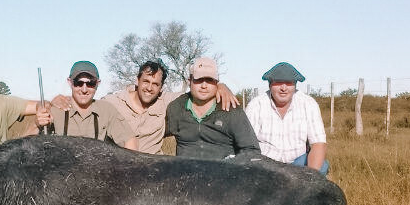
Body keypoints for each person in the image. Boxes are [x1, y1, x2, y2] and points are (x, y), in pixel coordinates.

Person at [99, 60, 241, 155]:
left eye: (155, 84)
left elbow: (197, 91)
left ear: (161, 87)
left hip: (152, 169)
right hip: (119, 167)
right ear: (137, 80)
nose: (149, 88)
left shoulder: (167, 101)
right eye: (146, 81)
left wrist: (220, 86)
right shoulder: (112, 102)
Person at [165, 57, 259, 160]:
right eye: (199, 79)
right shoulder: (176, 108)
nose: (204, 85)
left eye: (209, 80)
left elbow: (251, 150)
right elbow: (156, 134)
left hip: (223, 169)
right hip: (184, 169)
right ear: (189, 81)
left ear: (216, 82)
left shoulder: (232, 110)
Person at [244, 61, 329, 175]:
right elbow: (246, 145)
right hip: (265, 164)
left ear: (295, 85)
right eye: (278, 83)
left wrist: (310, 177)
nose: (283, 88)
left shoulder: (308, 104)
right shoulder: (256, 105)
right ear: (270, 85)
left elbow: (318, 144)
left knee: (322, 166)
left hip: (297, 163)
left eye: (289, 83)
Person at [48, 61, 139, 150]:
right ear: (70, 82)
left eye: (90, 83)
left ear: (97, 83)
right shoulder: (56, 109)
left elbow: (130, 141)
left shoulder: (106, 110)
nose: (84, 90)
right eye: (78, 83)